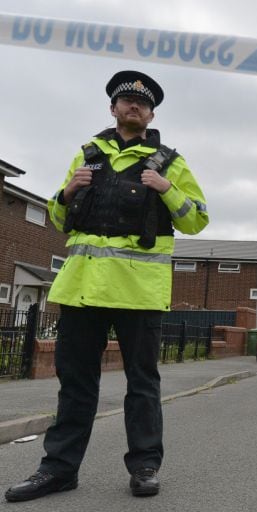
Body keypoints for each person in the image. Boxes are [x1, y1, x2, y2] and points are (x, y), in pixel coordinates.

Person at [5, 70, 209, 503]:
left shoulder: (170, 162)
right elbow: (61, 221)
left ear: (151, 113)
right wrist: (63, 195)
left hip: (138, 293)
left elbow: (197, 219)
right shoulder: (86, 156)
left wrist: (169, 190)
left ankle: (145, 467)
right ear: (113, 108)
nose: (132, 106)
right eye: (124, 100)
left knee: (142, 385)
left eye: (141, 102)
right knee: (75, 385)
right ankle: (58, 470)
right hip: (81, 289)